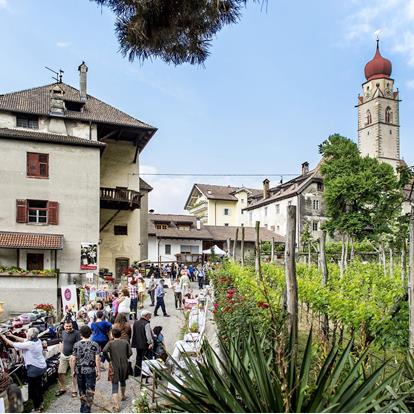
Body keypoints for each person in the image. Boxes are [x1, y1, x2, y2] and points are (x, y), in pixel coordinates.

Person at [1, 328, 46, 413]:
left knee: (33, 390)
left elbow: (13, 344)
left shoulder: (30, 344)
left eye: (27, 333)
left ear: (30, 335)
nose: (26, 333)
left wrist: (4, 337)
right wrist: (11, 335)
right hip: (41, 367)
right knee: (38, 387)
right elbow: (23, 340)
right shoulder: (37, 340)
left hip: (34, 369)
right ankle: (41, 403)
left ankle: (37, 408)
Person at [71, 325, 101, 413]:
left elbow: (73, 359)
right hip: (90, 370)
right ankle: (87, 408)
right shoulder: (95, 344)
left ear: (81, 334)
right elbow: (97, 358)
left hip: (79, 370)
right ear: (90, 333)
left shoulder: (76, 344)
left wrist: (73, 370)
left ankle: (82, 406)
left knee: (81, 388)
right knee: (90, 389)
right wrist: (98, 371)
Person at [103, 328, 132, 412]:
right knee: (123, 381)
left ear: (112, 335)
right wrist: (125, 356)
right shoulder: (125, 342)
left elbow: (104, 350)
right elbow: (130, 353)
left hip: (114, 365)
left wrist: (109, 360)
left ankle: (117, 406)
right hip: (124, 364)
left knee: (115, 385)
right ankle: (123, 396)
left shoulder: (110, 343)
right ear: (120, 334)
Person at [56, 320, 81, 398]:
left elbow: (78, 345)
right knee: (60, 372)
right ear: (64, 326)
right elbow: (62, 342)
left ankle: (74, 390)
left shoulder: (76, 333)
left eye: (70, 326)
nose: (68, 328)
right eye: (67, 326)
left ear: (72, 326)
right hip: (63, 355)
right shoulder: (63, 332)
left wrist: (75, 356)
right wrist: (61, 352)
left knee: (73, 374)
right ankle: (63, 388)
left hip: (72, 356)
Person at [131, 310, 153, 377]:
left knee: (138, 357)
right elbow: (148, 335)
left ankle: (136, 373)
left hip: (137, 343)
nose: (150, 317)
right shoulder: (146, 323)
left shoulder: (136, 322)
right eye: (149, 316)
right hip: (144, 344)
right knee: (145, 358)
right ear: (146, 316)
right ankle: (144, 374)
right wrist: (150, 343)